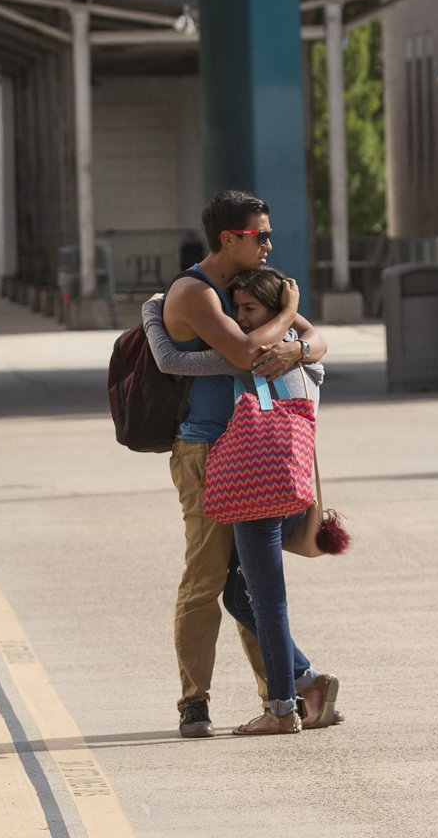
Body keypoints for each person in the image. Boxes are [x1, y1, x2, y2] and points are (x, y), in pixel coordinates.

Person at [150, 190, 336, 737]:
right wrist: (284, 317)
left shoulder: (248, 288)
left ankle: (285, 691)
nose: (269, 243)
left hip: (255, 449)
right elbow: (246, 355)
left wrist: (299, 345)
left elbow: (317, 339)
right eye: (260, 234)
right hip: (207, 450)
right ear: (229, 237)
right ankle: (195, 700)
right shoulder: (195, 292)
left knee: (250, 583)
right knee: (207, 579)